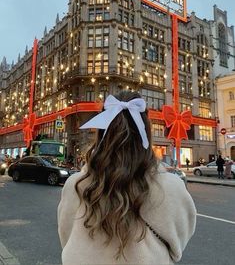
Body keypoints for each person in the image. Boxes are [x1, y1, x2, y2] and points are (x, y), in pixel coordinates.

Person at [58, 91, 196, 265]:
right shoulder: (171, 187)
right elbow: (178, 245)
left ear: (102, 132)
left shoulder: (76, 185)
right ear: (146, 129)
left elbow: (66, 237)